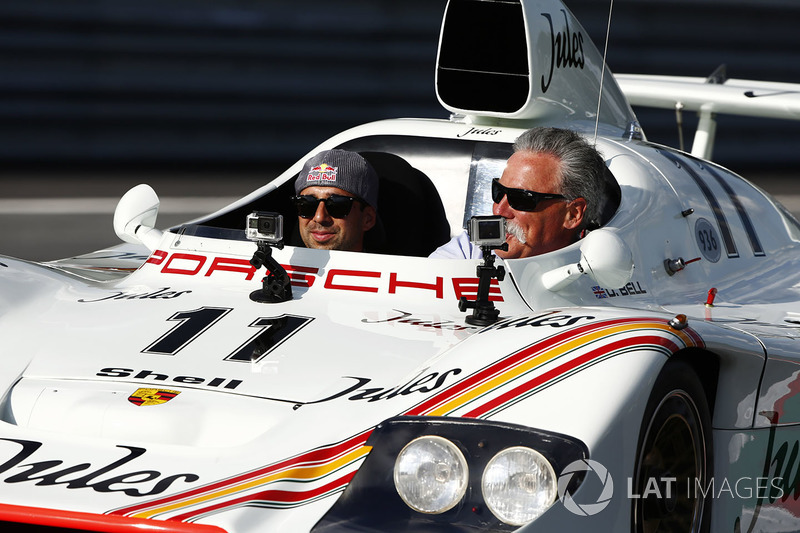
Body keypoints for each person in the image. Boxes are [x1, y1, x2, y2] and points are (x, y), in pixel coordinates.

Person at [430, 127, 607, 260]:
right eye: (498, 192)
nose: (500, 211)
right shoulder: (470, 250)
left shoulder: (605, 269)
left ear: (573, 214)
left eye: (521, 198)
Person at [292, 149, 379, 252]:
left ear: (368, 219)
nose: (319, 217)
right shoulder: (271, 262)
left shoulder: (393, 268)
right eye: (306, 204)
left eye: (336, 204)